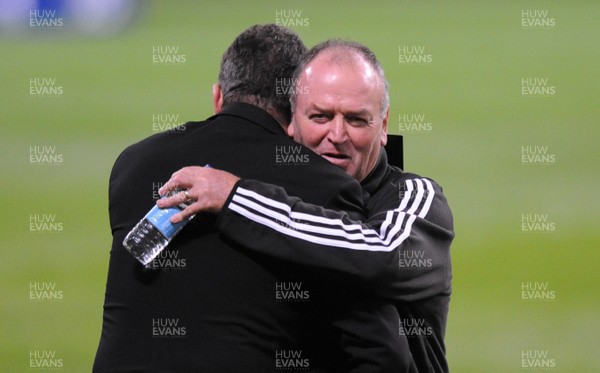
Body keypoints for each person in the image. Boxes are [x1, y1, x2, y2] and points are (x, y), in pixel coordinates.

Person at [93, 25, 405, 372]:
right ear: (293, 111)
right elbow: (383, 352)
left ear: (218, 97)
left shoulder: (134, 164)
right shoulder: (323, 184)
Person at [159, 40, 455, 372]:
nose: (337, 134)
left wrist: (235, 199)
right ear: (291, 122)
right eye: (321, 116)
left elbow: (383, 252)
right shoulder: (272, 199)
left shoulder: (415, 196)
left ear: (383, 125)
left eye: (357, 120)